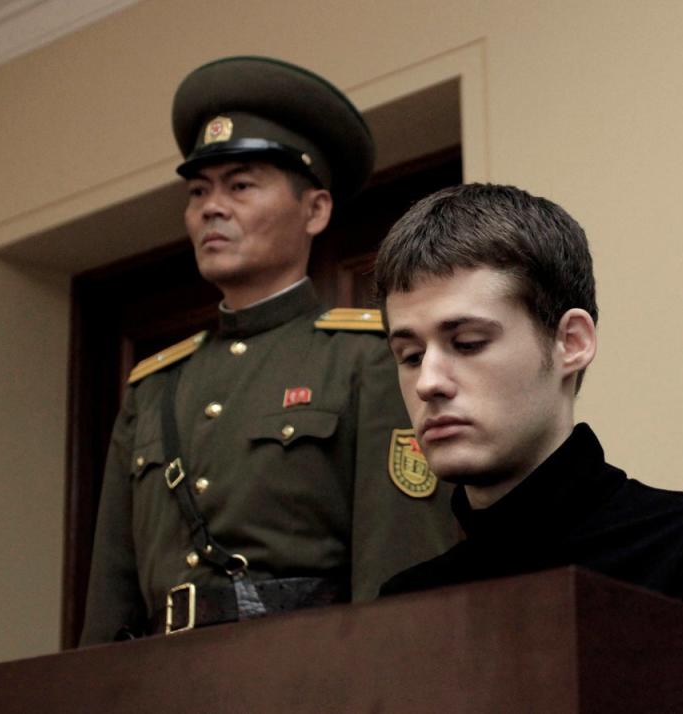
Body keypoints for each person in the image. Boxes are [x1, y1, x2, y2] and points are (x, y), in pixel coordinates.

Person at [80, 56, 456, 643]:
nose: (211, 207)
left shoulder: (368, 357)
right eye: (198, 190)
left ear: (315, 210)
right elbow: (111, 593)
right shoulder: (152, 385)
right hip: (155, 681)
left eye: (241, 185)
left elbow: (399, 557)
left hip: (303, 675)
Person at [373, 183, 683, 629]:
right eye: (411, 357)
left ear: (571, 343)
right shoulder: (404, 605)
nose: (428, 383)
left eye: (468, 344)